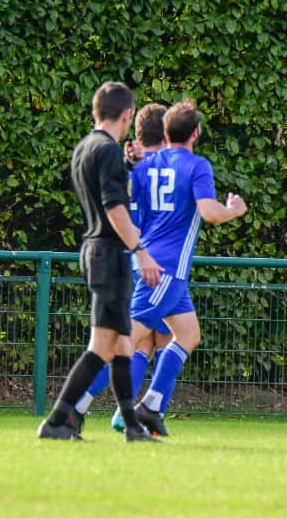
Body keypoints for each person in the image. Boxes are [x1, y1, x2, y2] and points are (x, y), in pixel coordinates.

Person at [37, 81, 163, 442]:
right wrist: (141, 251)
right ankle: (56, 420)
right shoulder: (106, 150)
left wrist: (127, 164)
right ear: (127, 115)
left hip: (95, 251)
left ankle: (133, 428)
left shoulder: (86, 147)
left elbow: (99, 190)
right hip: (110, 254)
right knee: (102, 346)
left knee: (123, 345)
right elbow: (113, 208)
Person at [126, 99, 248, 436]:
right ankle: (76, 407)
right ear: (195, 133)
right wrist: (234, 209)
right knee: (126, 341)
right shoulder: (195, 166)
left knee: (188, 335)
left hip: (146, 260)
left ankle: (151, 406)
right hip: (163, 267)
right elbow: (209, 212)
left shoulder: (146, 164)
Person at [70, 104, 173, 431]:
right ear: (167, 133)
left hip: (130, 258)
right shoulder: (167, 167)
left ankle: (128, 411)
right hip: (155, 263)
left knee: (147, 341)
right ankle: (84, 406)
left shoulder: (130, 166)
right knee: (145, 339)